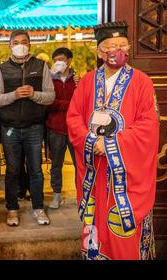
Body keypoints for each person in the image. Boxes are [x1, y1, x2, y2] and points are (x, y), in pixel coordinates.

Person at [67, 21, 158, 260]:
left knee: (125, 236)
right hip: (96, 171)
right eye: (110, 46)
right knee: (96, 225)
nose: (116, 51)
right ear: (99, 51)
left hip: (128, 175)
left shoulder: (142, 82)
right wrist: (90, 142)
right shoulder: (87, 81)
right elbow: (74, 117)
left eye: (121, 45)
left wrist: (110, 144)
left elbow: (148, 126)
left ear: (127, 50)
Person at [0, 30, 55, 226]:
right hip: (10, 128)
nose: (20, 45)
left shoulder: (41, 65)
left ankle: (38, 208)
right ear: (9, 45)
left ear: (30, 44)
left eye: (24, 42)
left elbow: (50, 96)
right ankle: (12, 209)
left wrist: (33, 94)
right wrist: (14, 95)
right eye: (16, 42)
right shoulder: (2, 69)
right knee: (12, 170)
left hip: (34, 127)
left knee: (36, 169)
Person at [46, 48, 77, 209]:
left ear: (69, 60)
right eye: (56, 59)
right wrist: (68, 104)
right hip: (55, 127)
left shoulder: (77, 80)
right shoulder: (49, 80)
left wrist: (66, 105)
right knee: (56, 164)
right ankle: (56, 194)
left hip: (75, 129)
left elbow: (81, 102)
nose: (59, 62)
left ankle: (82, 194)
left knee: (80, 164)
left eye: (62, 59)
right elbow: (48, 102)